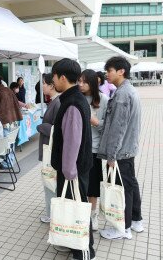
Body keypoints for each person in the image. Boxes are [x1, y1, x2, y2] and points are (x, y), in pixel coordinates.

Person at [50, 59, 95, 258]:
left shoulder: (72, 103)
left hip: (73, 170)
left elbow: (72, 141)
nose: (52, 81)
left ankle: (85, 251)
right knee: (75, 206)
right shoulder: (75, 98)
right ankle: (74, 243)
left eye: (53, 77)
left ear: (62, 77)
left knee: (78, 209)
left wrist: (68, 172)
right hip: (77, 168)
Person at [98, 56, 143, 241]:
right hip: (128, 149)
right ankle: (135, 220)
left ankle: (122, 228)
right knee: (130, 185)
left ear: (121, 71)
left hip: (121, 151)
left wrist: (111, 156)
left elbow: (118, 128)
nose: (106, 75)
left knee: (122, 189)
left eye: (109, 71)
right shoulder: (130, 90)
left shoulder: (122, 95)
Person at [78, 70, 108, 231]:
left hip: (94, 149)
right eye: (79, 81)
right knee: (79, 184)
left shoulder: (103, 100)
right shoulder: (77, 97)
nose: (80, 84)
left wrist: (95, 122)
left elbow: (109, 126)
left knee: (93, 186)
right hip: (78, 148)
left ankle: (93, 215)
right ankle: (81, 214)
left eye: (84, 82)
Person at [36, 73, 61, 224]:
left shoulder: (57, 103)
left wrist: (42, 126)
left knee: (50, 182)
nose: (42, 86)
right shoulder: (54, 102)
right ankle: (52, 212)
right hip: (49, 149)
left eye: (44, 83)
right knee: (50, 182)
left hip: (51, 150)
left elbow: (58, 130)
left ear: (52, 85)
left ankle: (53, 214)